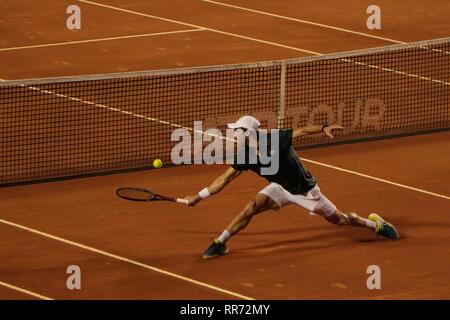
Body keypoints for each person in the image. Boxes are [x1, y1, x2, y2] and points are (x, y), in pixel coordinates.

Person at [184, 116, 399, 259]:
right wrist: (198, 196)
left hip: (305, 191)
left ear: (247, 132)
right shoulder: (245, 155)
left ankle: (374, 225)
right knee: (252, 206)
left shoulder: (275, 139)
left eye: (236, 131)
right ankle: (220, 242)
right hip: (280, 187)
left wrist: (324, 128)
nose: (233, 135)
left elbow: (303, 130)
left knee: (340, 220)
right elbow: (225, 179)